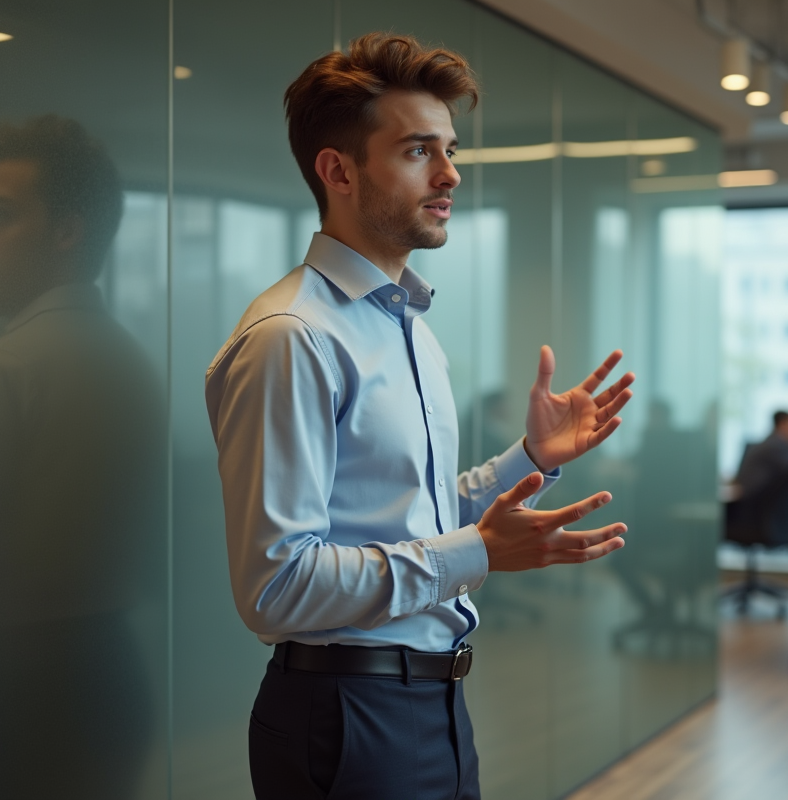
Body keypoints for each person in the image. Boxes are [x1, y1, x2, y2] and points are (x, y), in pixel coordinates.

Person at [204, 33, 635, 800]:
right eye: (417, 151)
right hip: (347, 715)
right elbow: (274, 587)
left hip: (433, 699)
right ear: (337, 170)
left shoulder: (408, 326)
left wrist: (529, 460)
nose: (450, 174)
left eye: (450, 149)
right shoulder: (293, 337)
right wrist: (475, 553)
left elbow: (413, 514)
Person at [0, 116, 166, 797]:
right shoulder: (132, 361)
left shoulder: (1, 370)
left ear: (67, 232)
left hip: (16, 686)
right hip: (111, 675)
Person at [733, 410, 788, 502]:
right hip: (756, 500)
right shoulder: (776, 445)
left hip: (758, 497)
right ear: (783, 424)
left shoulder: (775, 442)